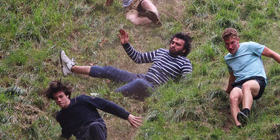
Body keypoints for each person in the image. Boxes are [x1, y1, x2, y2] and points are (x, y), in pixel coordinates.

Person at [59, 29, 193, 101]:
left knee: (139, 83)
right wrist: (126, 45)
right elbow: (139, 58)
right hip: (141, 78)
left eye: (177, 44)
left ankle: (101, 97)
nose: (173, 45)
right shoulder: (162, 52)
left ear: (184, 50)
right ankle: (71, 68)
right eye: (173, 42)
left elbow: (186, 84)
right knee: (110, 70)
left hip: (154, 89)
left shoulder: (185, 63)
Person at [44, 81, 143, 140]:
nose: (59, 100)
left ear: (67, 95)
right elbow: (65, 134)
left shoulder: (81, 100)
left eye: (61, 96)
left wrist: (127, 115)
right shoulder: (61, 116)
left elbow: (106, 105)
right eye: (56, 98)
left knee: (94, 126)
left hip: (97, 131)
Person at [221, 28, 280, 128]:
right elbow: (232, 76)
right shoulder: (227, 58)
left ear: (238, 39)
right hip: (239, 83)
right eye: (227, 44)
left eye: (232, 43)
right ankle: (239, 126)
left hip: (256, 80)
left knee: (246, 86)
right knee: (233, 96)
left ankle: (245, 112)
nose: (230, 46)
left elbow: (272, 54)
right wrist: (228, 89)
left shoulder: (250, 46)